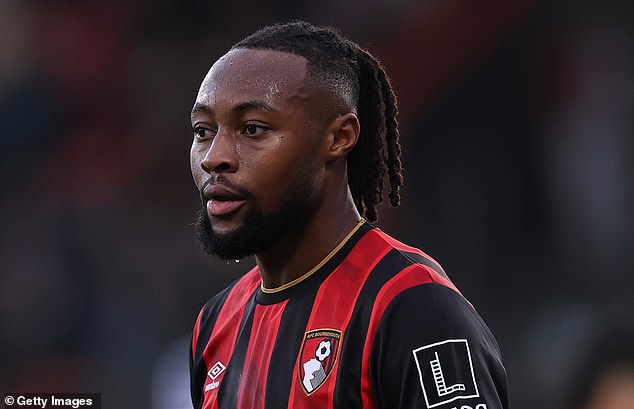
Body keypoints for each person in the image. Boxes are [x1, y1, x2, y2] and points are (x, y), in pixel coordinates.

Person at [188, 21, 508, 409]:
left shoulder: (414, 307)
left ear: (339, 138)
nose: (214, 157)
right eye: (203, 131)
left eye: (253, 129)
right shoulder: (215, 324)